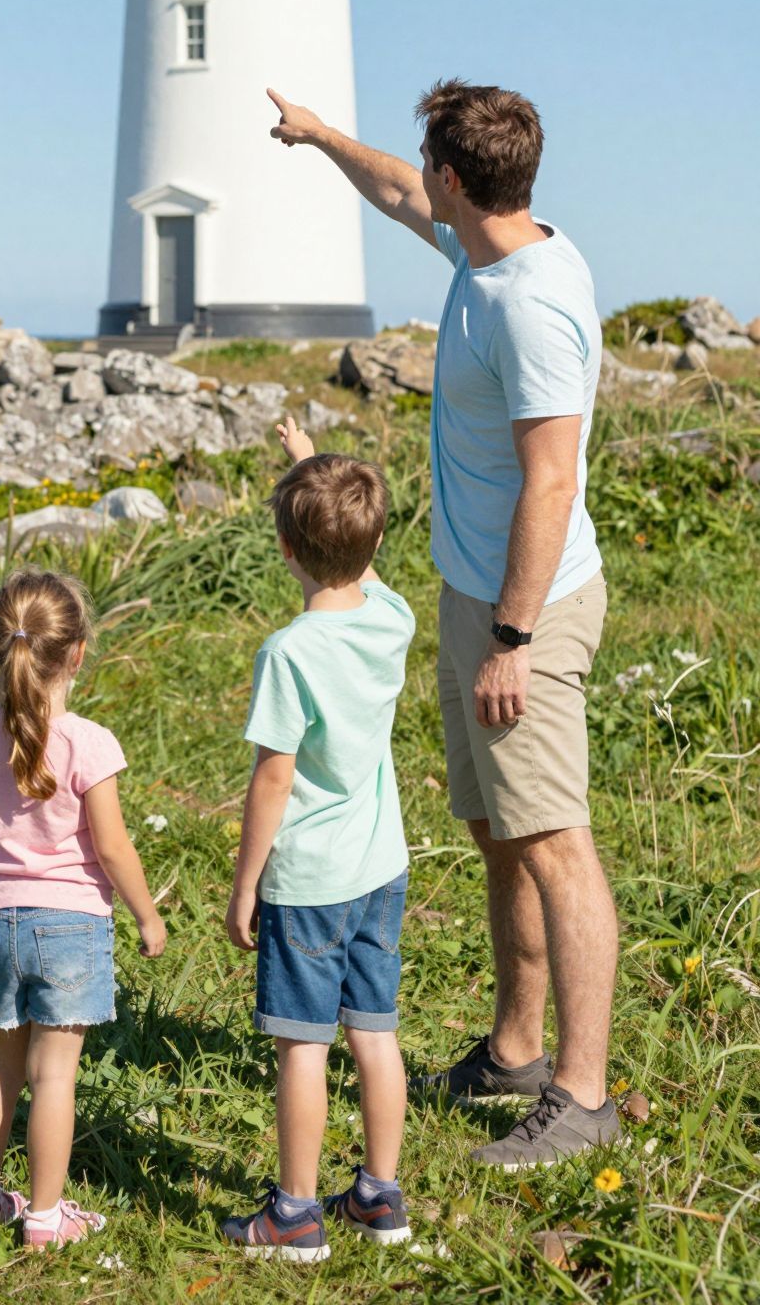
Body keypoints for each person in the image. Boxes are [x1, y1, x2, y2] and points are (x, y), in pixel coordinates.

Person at [267, 77, 620, 1170]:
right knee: (495, 827)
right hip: (480, 591)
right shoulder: (485, 244)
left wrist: (513, 637)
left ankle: (582, 1091)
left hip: (531, 605)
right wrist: (323, 136)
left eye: (432, 166)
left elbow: (551, 481)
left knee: (555, 841)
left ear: (459, 177)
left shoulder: (529, 302)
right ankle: (515, 1046)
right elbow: (397, 193)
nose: (420, 181)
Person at [222, 423, 415, 1262]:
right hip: (381, 865)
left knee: (302, 1046)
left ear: (284, 549)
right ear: (374, 540)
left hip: (307, 879)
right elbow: (358, 560)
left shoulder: (289, 651)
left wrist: (243, 884)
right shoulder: (392, 615)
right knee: (375, 1033)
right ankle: (380, 1197)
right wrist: (312, 461)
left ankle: (294, 1216)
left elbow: (272, 778)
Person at [0, 568, 166, 1249]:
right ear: (78, 652)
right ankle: (45, 1219)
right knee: (54, 1078)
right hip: (70, 923)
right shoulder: (89, 742)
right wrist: (147, 914)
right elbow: (111, 845)